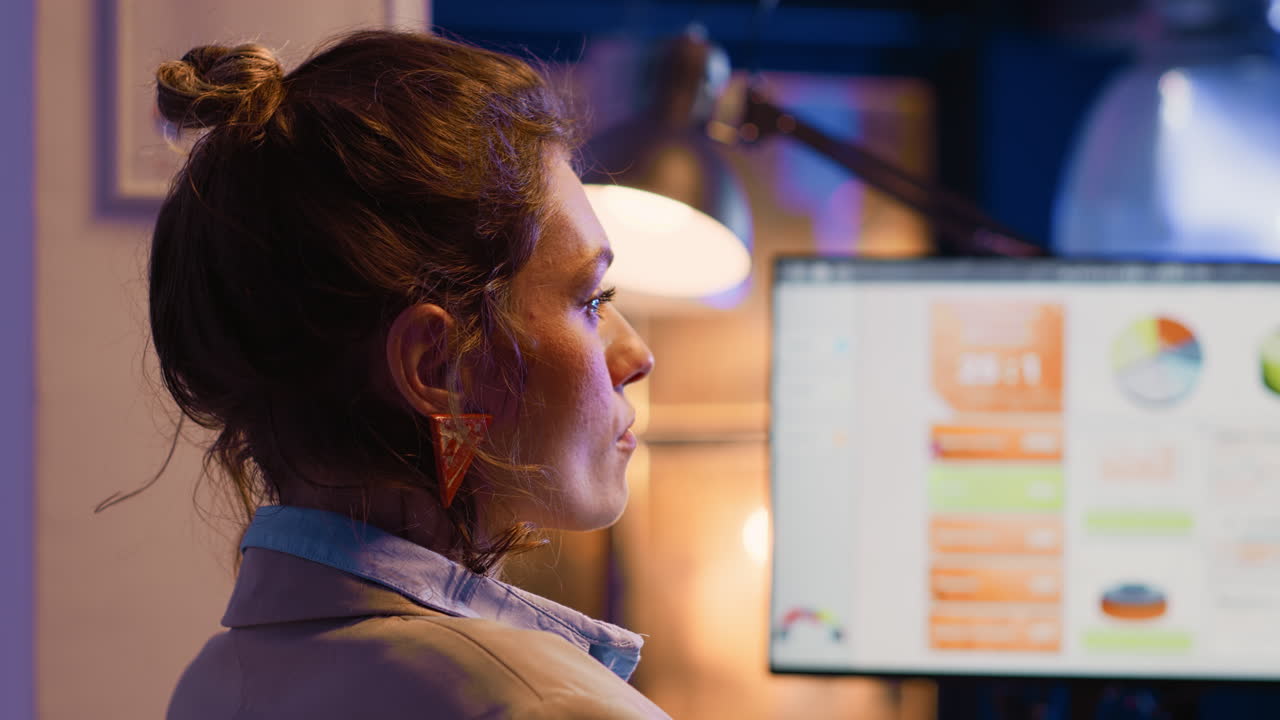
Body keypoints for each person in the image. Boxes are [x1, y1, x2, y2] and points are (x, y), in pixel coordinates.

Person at [152, 29, 664, 719]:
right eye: (592, 301)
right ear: (438, 367)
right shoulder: (550, 705)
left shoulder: (212, 685)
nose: (637, 356)